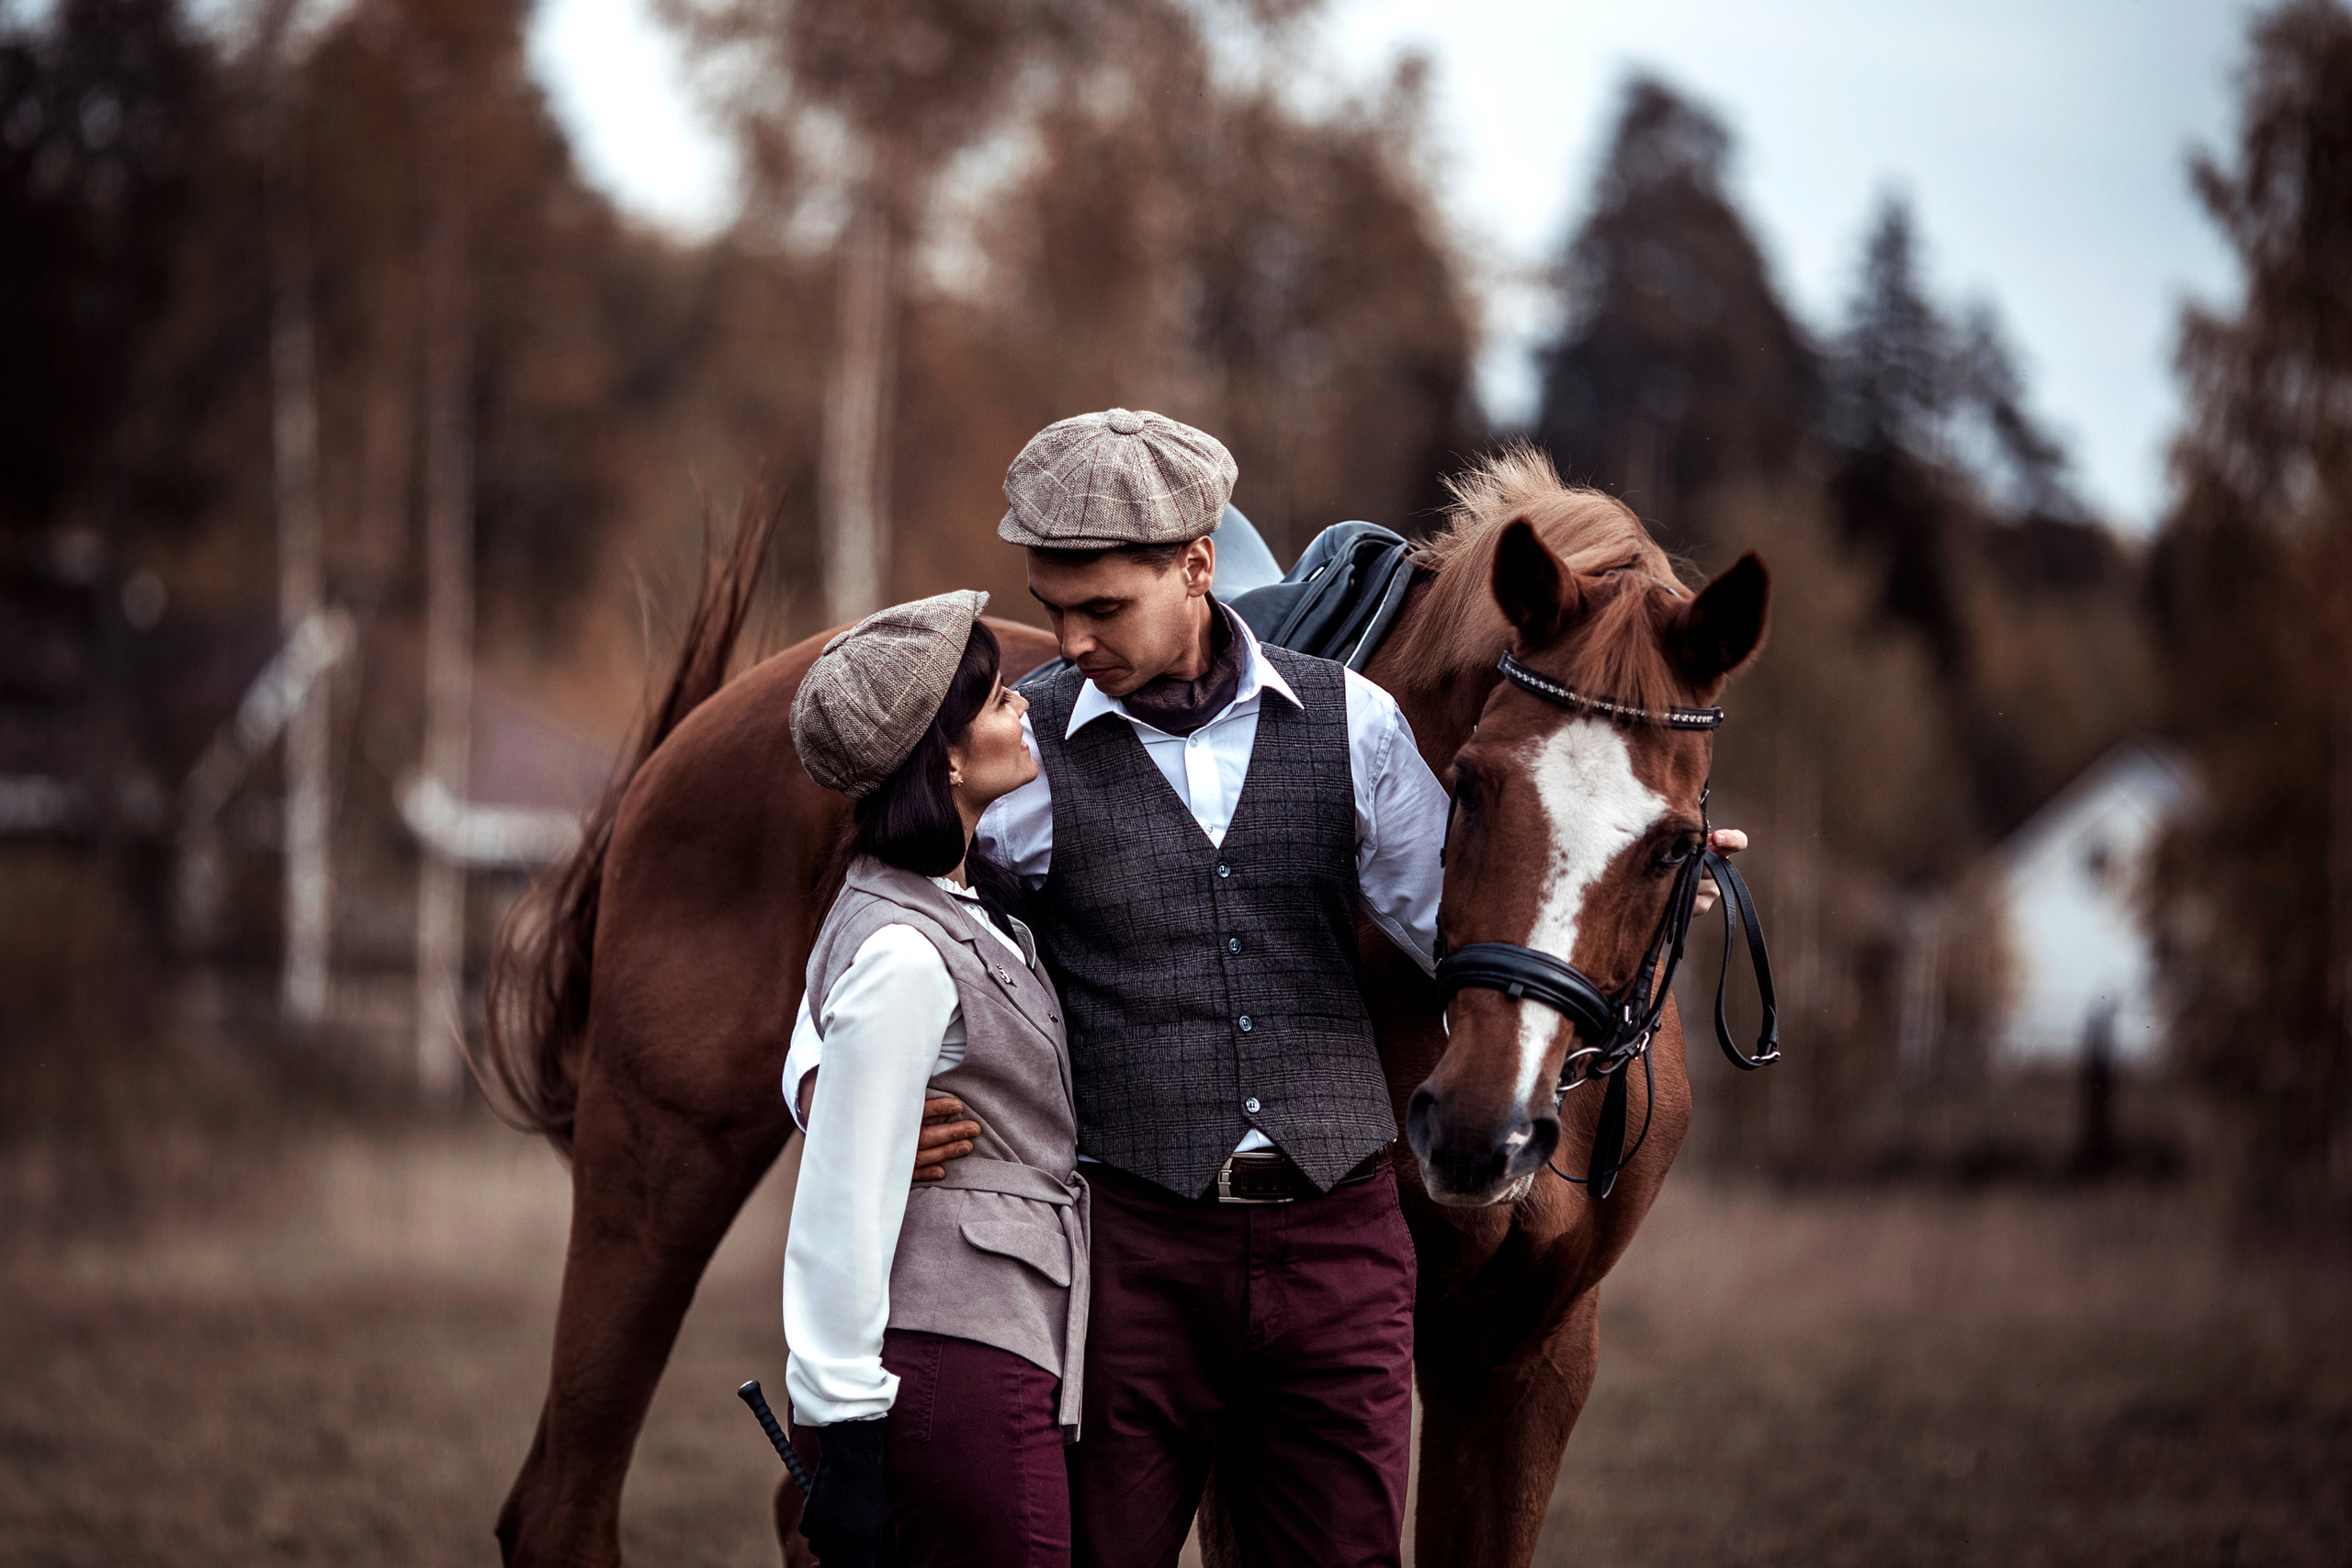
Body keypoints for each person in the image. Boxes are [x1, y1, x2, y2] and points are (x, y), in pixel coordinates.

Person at [784, 411, 1747, 1568]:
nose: (1070, 643)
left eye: (1102, 610)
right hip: (1133, 1252)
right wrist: (819, 1078)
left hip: (1335, 1256)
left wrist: (1632, 875)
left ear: (1198, 566)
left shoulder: (1356, 727)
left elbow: (1469, 914)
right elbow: (884, 921)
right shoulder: (1022, 758)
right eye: (1053, 609)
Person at [782, 590, 1088, 1568]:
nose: (1026, 707)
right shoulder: (905, 954)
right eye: (1000, 700)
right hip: (951, 1367)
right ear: (945, 756)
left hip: (991, 1345)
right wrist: (848, 1436)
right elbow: (840, 1205)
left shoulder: (942, 906)